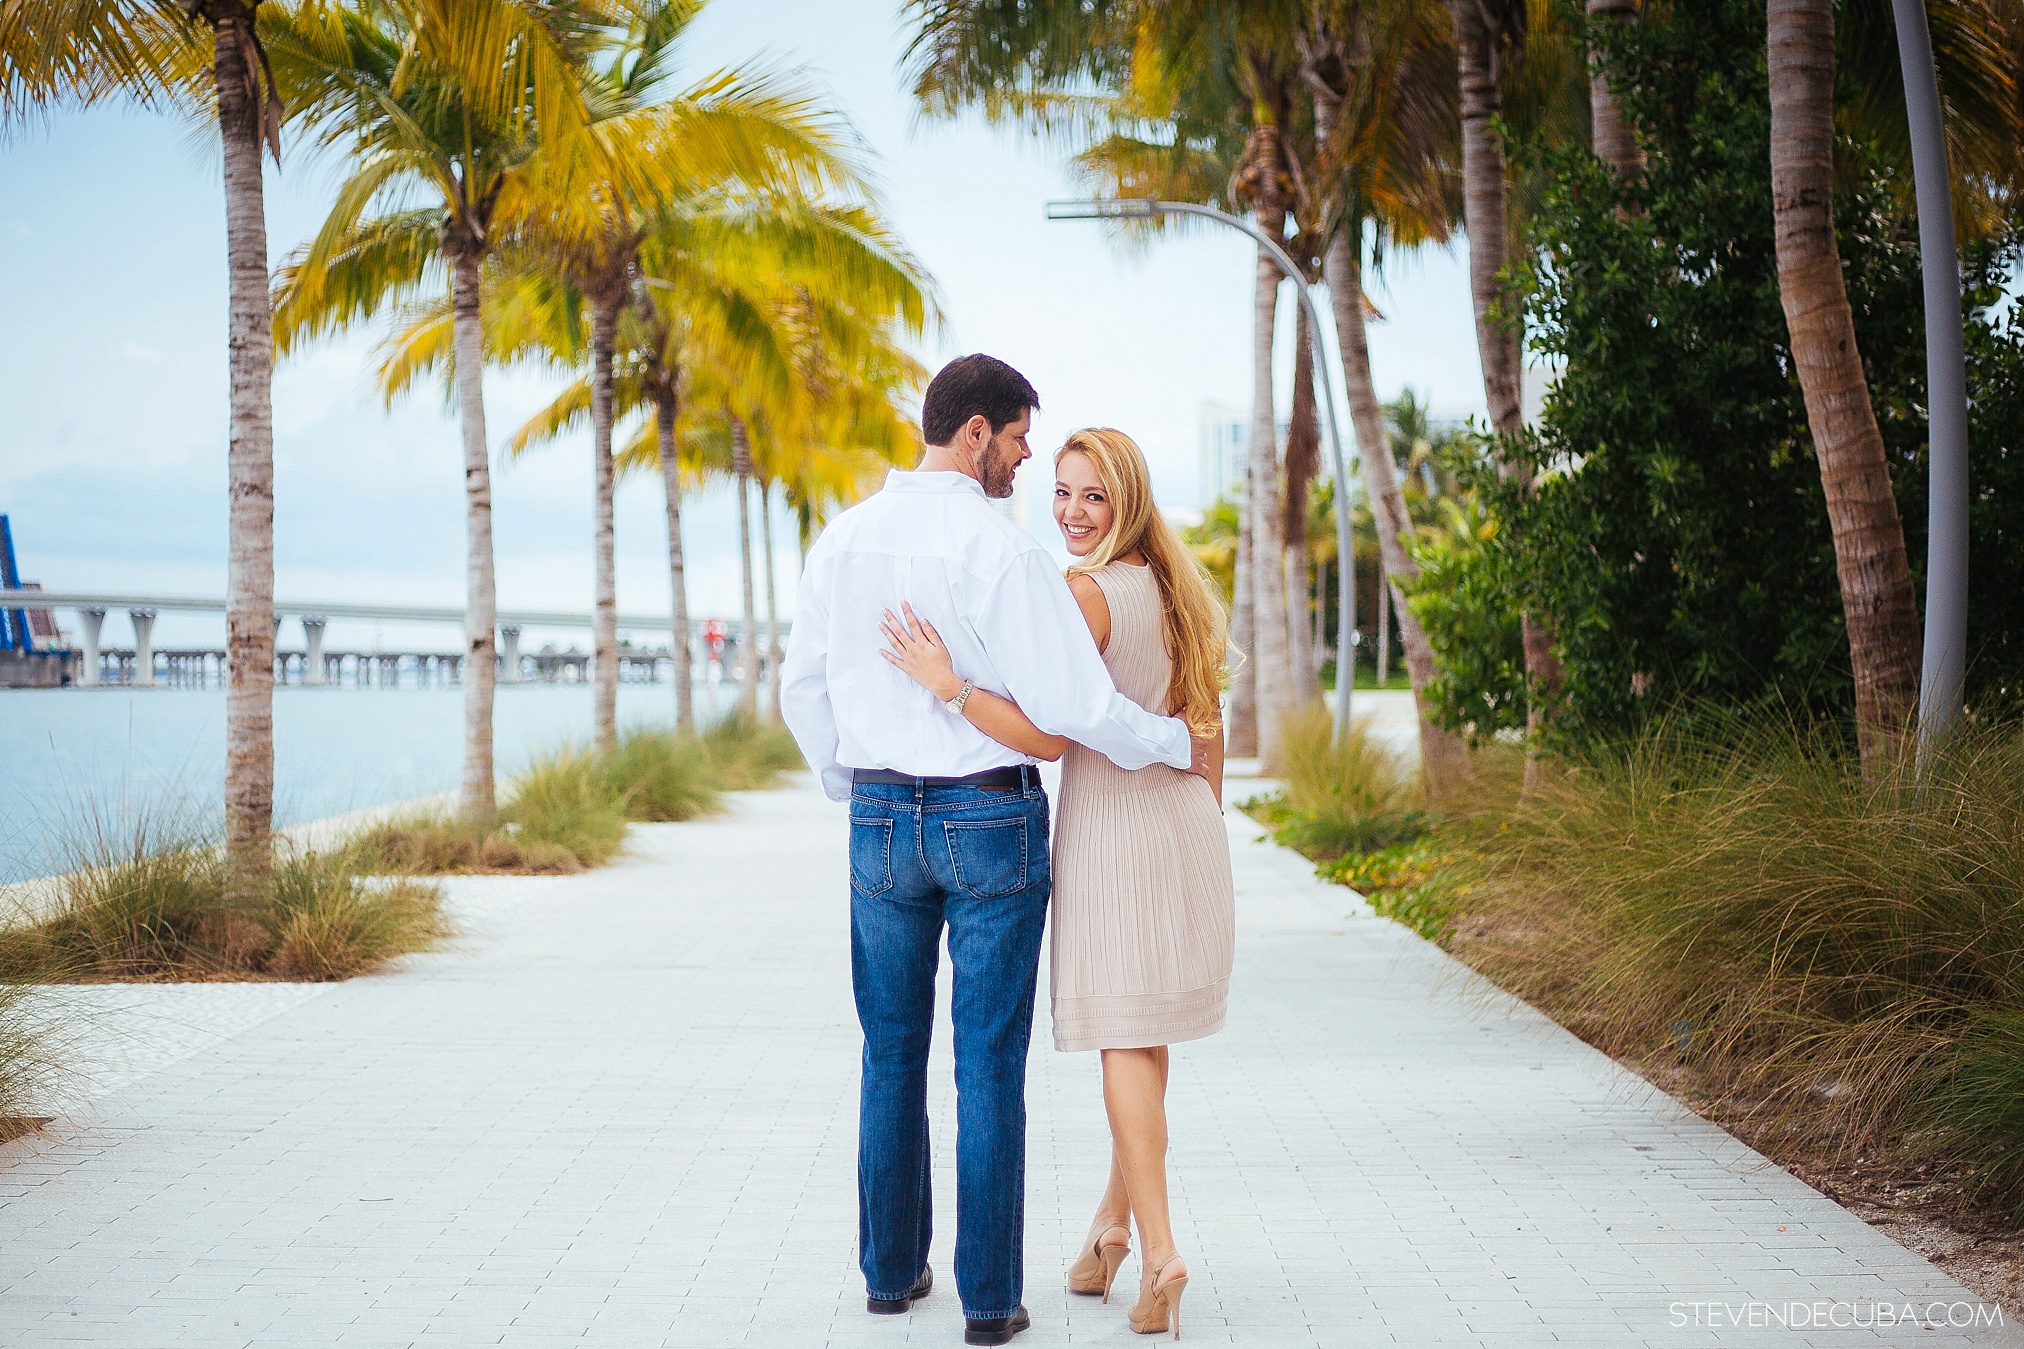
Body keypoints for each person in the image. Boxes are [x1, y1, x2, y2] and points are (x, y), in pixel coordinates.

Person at [780, 357, 1211, 1347]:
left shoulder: (842, 540)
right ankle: (987, 1302)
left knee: (888, 1048)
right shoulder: (1001, 552)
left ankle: (889, 1275)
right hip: (987, 819)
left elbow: (801, 693)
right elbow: (1072, 709)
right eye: (1020, 439)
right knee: (986, 1062)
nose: (1024, 459)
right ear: (976, 433)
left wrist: (861, 789)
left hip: (880, 817)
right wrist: (1175, 742)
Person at [880, 427, 1234, 1341]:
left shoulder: (1086, 596)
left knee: (1122, 1037)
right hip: (1187, 820)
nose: (1072, 512)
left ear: (1126, 506)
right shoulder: (1175, 588)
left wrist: (946, 684)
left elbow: (1047, 728)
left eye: (1093, 498)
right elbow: (1205, 721)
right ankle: (1107, 1238)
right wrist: (1210, 818)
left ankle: (1161, 1254)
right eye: (1065, 492)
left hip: (1117, 827)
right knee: (1147, 1042)